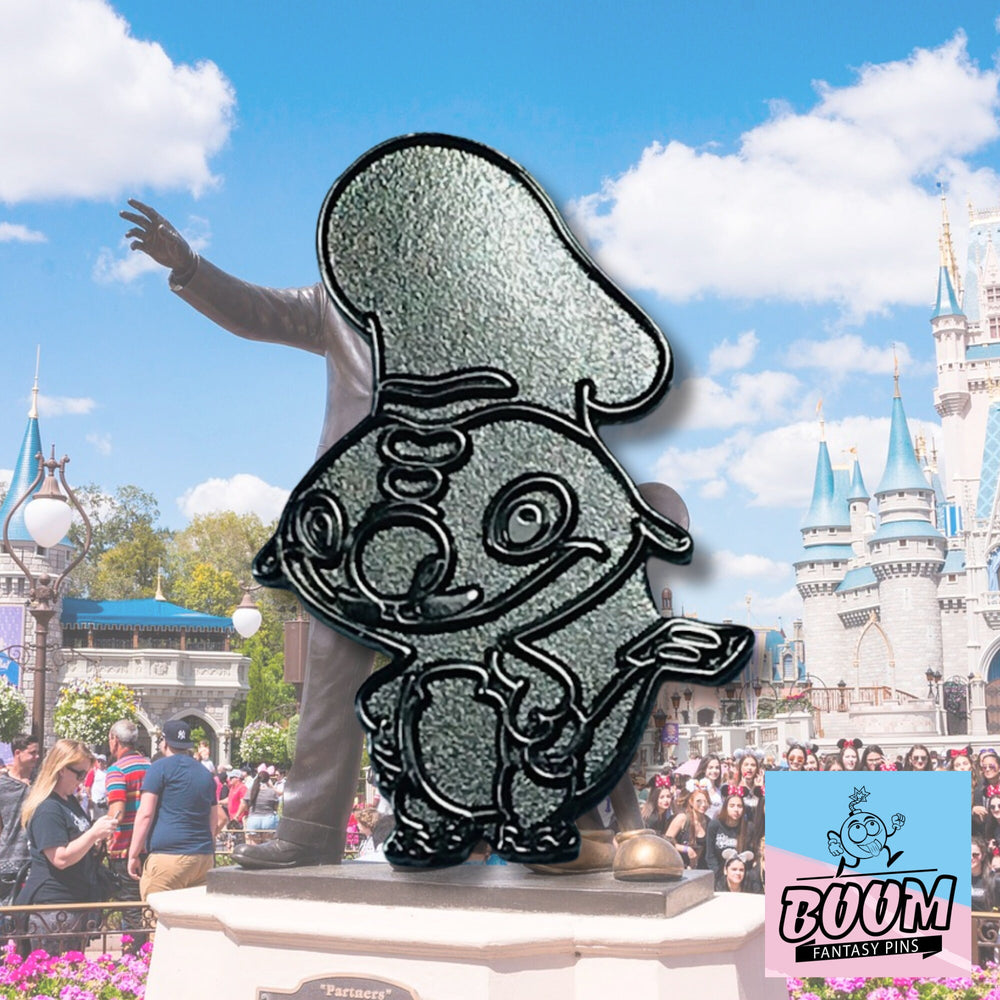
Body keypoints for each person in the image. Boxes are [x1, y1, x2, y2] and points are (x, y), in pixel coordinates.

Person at [122, 200, 375, 869]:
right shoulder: (337, 306)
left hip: (450, 501)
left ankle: (562, 820)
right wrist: (190, 267)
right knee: (332, 662)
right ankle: (310, 831)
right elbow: (256, 309)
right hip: (353, 509)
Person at [15, 739, 117, 954]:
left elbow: (77, 842)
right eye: (79, 774)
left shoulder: (68, 801)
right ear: (61, 769)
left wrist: (96, 840)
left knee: (69, 970)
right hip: (53, 907)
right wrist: (93, 833)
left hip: (74, 901)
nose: (83, 780)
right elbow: (59, 858)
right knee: (52, 972)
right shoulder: (48, 808)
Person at [127, 720, 225, 898]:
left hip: (168, 856)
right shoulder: (205, 774)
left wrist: (133, 854)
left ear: (164, 742)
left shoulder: (159, 768)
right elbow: (213, 819)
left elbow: (145, 814)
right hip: (202, 857)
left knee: (155, 911)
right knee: (194, 914)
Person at [105, 719, 151, 946]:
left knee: (130, 908)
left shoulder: (116, 770)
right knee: (146, 906)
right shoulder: (151, 767)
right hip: (149, 847)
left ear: (115, 740)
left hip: (124, 849)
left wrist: (103, 834)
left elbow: (118, 812)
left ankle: (133, 956)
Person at [0, 734, 39, 881]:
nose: (37, 756)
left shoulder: (41, 782)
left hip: (37, 861)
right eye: (32, 753)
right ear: (18, 753)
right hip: (8, 860)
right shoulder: (3, 785)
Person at [705, 792, 750, 876]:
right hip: (719, 873)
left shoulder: (749, 827)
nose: (736, 809)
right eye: (732, 806)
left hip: (740, 874)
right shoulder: (714, 825)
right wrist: (718, 874)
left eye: (739, 806)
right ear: (725, 807)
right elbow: (710, 855)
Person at [664, 787, 709, 869]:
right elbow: (666, 842)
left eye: (706, 801)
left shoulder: (708, 822)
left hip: (700, 869)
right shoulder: (682, 818)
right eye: (698, 801)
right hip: (679, 866)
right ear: (691, 802)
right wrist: (686, 849)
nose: (703, 804)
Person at [244, 767, 281, 844]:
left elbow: (245, 804)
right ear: (268, 780)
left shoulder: (251, 790)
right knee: (267, 846)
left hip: (253, 819)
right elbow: (275, 807)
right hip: (268, 820)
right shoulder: (272, 792)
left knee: (254, 847)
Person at [83, 754, 109, 821]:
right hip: (95, 801)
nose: (100, 763)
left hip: (105, 801)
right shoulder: (93, 772)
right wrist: (90, 798)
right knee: (96, 819)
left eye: (102, 761)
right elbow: (87, 786)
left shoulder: (108, 772)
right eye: (98, 761)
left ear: (105, 762)